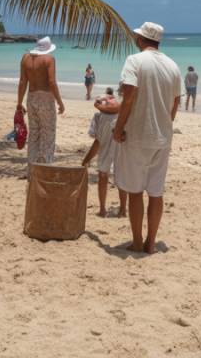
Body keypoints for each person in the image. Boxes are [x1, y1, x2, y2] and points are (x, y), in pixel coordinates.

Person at [113, 22, 182, 254]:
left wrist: (118, 127)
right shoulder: (173, 65)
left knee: (135, 191)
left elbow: (129, 96)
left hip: (138, 134)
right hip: (163, 137)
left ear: (141, 39)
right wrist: (166, 124)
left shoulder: (134, 61)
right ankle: (151, 243)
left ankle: (137, 240)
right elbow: (175, 102)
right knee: (156, 192)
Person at [17, 37, 65, 170]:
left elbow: (22, 82)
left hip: (31, 97)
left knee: (34, 133)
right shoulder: (49, 59)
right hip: (45, 98)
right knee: (48, 133)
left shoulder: (25, 58)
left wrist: (19, 103)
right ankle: (44, 168)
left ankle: (32, 167)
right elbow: (51, 82)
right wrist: (60, 102)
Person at [82, 87, 127, 217]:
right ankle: (123, 210)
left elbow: (97, 142)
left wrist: (86, 160)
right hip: (121, 150)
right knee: (122, 179)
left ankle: (102, 209)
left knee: (103, 176)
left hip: (105, 151)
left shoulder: (98, 116)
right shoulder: (122, 114)